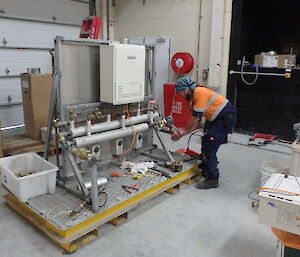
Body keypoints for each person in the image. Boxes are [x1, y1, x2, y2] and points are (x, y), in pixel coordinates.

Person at [171, 77, 237, 189]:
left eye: (181, 92)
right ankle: (206, 165)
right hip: (215, 118)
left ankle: (212, 179)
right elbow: (197, 124)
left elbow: (195, 119)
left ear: (187, 89)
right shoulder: (192, 99)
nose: (181, 95)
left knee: (210, 146)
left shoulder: (199, 92)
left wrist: (182, 131)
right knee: (206, 141)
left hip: (225, 117)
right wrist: (181, 133)